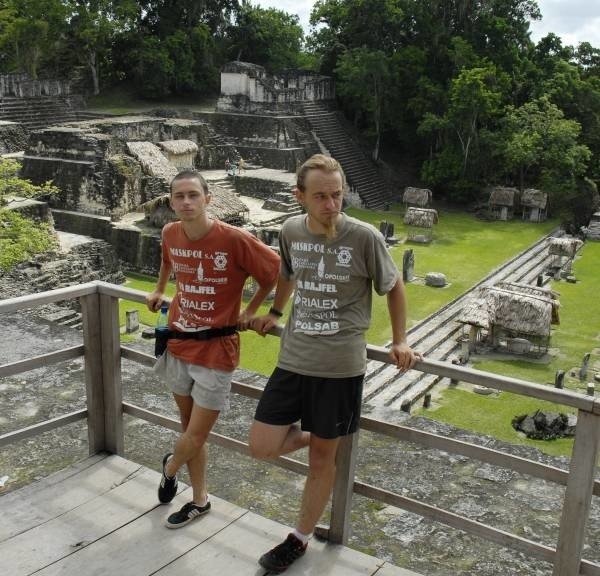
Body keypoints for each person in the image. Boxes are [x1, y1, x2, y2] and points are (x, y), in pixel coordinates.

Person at [248, 154, 420, 572]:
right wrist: (275, 312)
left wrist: (400, 340)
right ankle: (321, 433)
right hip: (294, 357)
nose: (331, 204)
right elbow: (288, 272)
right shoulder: (290, 229)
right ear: (300, 196)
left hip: (341, 366)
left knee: (323, 460)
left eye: (337, 195)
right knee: (261, 445)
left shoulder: (363, 238)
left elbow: (393, 287)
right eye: (321, 196)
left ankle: (299, 538)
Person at [146, 169, 280, 529]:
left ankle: (170, 468)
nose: (186, 202)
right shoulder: (171, 231)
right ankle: (200, 500)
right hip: (179, 341)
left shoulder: (234, 239)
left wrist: (254, 311)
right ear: (171, 202)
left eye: (193, 195)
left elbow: (276, 272)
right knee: (189, 429)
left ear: (208, 198)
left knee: (196, 434)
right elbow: (167, 259)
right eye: (179, 197)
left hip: (216, 350)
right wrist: (160, 289)